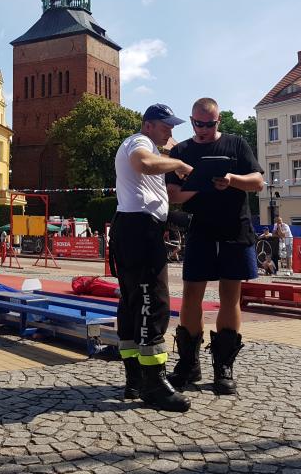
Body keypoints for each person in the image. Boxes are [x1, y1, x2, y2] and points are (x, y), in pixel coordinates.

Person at [166, 97, 264, 396]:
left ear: (218, 121)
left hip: (236, 227)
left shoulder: (236, 144)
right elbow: (173, 194)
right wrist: (203, 183)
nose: (203, 129)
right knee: (191, 295)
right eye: (197, 123)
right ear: (192, 120)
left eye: (209, 124)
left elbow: (258, 182)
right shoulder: (182, 150)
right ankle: (189, 363)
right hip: (202, 229)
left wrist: (232, 179)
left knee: (230, 296)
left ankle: (224, 366)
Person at [111, 103, 193, 412]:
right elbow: (144, 164)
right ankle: (154, 383)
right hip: (138, 231)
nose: (170, 130)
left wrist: (173, 216)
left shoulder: (148, 146)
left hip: (134, 227)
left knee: (133, 303)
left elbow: (146, 194)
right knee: (152, 300)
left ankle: (134, 378)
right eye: (165, 125)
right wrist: (177, 163)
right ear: (148, 125)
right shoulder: (141, 143)